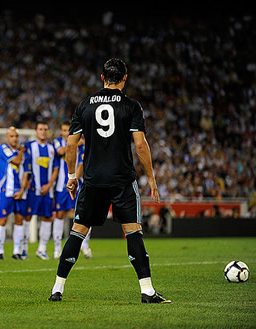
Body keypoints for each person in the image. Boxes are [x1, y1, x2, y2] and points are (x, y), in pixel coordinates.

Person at [49, 58, 171, 304]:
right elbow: (140, 144)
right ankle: (147, 291)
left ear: (102, 78)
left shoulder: (84, 106)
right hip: (122, 180)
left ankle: (57, 289)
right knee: (133, 232)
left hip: (93, 180)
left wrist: (72, 176)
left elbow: (70, 144)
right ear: (125, 78)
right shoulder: (131, 106)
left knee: (77, 232)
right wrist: (153, 178)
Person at [25, 121, 59, 260]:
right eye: (40, 129)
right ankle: (23, 249)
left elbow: (56, 169)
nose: (43, 131)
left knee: (47, 218)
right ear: (36, 131)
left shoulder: (52, 149)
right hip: (33, 190)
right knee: (27, 217)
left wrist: (49, 184)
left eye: (45, 129)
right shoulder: (29, 147)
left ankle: (42, 249)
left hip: (48, 190)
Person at [53, 120, 85, 259]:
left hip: (77, 183)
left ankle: (83, 246)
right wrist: (75, 143)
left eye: (68, 130)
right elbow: (61, 151)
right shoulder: (57, 142)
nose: (66, 133)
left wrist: (75, 180)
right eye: (64, 130)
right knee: (59, 215)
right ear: (61, 131)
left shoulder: (82, 145)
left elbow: (81, 164)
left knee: (81, 215)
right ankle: (57, 248)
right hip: (61, 185)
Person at [0, 127, 27, 260]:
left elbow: (25, 173)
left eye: (16, 136)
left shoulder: (22, 152)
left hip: (19, 191)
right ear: (7, 138)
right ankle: (0, 251)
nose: (14, 139)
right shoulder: (3, 148)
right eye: (12, 136)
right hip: (6, 190)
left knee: (19, 219)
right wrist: (22, 151)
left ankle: (16, 251)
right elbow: (17, 161)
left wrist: (22, 190)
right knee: (3, 219)